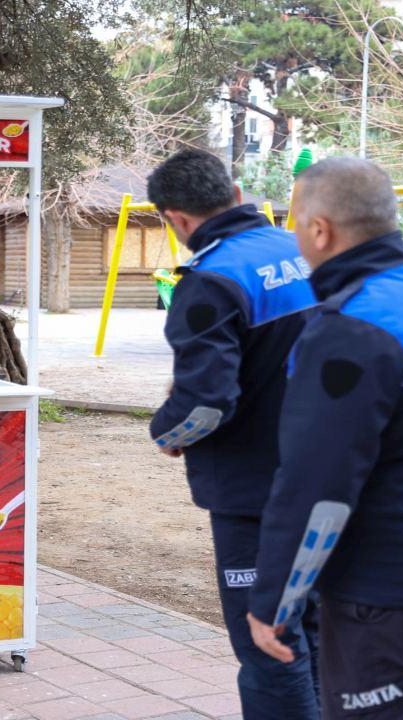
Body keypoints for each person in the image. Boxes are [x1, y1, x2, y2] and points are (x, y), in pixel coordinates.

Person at [247, 157, 403, 719]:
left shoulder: (350, 330)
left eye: (294, 222)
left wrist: (274, 599)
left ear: (319, 229)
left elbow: (316, 484)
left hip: (387, 590)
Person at [146, 149, 320, 720]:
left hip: (257, 495)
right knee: (321, 630)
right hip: (336, 478)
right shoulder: (306, 252)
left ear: (177, 219)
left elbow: (208, 402)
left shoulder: (210, 280)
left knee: (270, 641)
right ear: (237, 194)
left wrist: (169, 432)